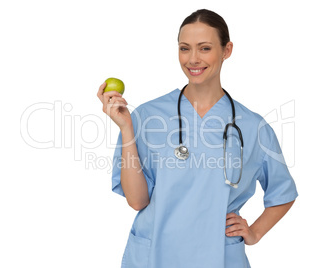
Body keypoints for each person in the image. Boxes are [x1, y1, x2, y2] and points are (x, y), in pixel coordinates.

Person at [97, 9, 298, 268]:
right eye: (184, 48)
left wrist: (255, 232)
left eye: (204, 48)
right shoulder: (146, 116)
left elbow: (283, 192)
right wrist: (126, 129)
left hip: (219, 256)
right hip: (154, 255)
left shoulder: (253, 126)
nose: (193, 59)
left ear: (227, 50)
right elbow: (137, 201)